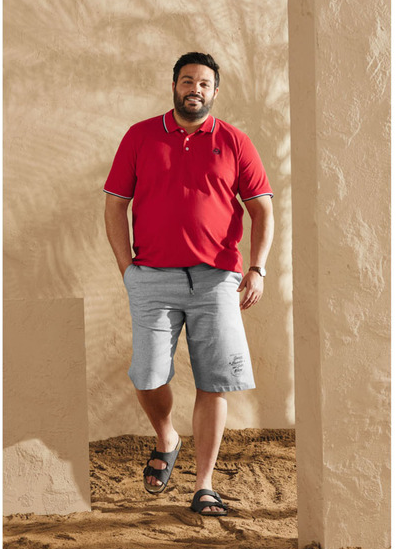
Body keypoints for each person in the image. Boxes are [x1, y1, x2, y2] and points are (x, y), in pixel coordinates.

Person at [103, 52, 274, 516]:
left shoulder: (235, 141)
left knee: (213, 381)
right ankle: (167, 438)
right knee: (148, 375)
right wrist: (127, 269)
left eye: (203, 83)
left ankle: (204, 486)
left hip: (217, 279)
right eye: (186, 81)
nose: (194, 89)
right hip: (152, 277)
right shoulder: (140, 136)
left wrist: (257, 268)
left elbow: (262, 209)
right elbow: (115, 204)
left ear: (215, 91)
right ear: (174, 85)